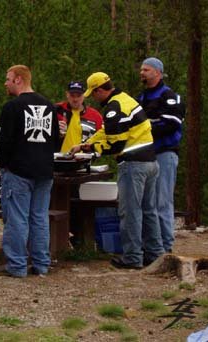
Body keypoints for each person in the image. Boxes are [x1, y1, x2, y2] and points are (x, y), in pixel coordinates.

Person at [71, 72, 165, 269]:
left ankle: (132, 257)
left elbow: (116, 144)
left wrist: (93, 151)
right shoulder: (125, 100)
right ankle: (156, 255)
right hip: (150, 161)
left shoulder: (113, 107)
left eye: (93, 94)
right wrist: (86, 144)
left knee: (130, 212)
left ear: (99, 90)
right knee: (149, 210)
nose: (94, 99)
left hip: (133, 164)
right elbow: (108, 131)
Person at [0, 64, 59, 277]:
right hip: (44, 170)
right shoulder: (50, 107)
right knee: (39, 218)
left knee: (17, 219)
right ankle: (41, 265)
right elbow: (55, 140)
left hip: (18, 170)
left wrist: (4, 164)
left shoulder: (12, 107)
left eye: (8, 78)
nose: (5, 83)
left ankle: (17, 266)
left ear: (18, 80)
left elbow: (3, 141)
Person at [137, 57, 185, 253]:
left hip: (164, 153)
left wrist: (145, 128)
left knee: (162, 200)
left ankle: (167, 246)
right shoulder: (141, 97)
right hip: (146, 155)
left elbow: (172, 123)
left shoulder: (169, 96)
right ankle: (152, 245)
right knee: (147, 201)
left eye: (146, 70)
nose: (142, 73)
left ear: (158, 72)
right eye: (141, 69)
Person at [55, 81, 103, 153]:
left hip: (84, 159)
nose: (75, 99)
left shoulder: (95, 116)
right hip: (58, 159)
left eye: (79, 96)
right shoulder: (56, 109)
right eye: (72, 95)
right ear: (67, 94)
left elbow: (102, 138)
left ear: (84, 95)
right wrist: (55, 129)